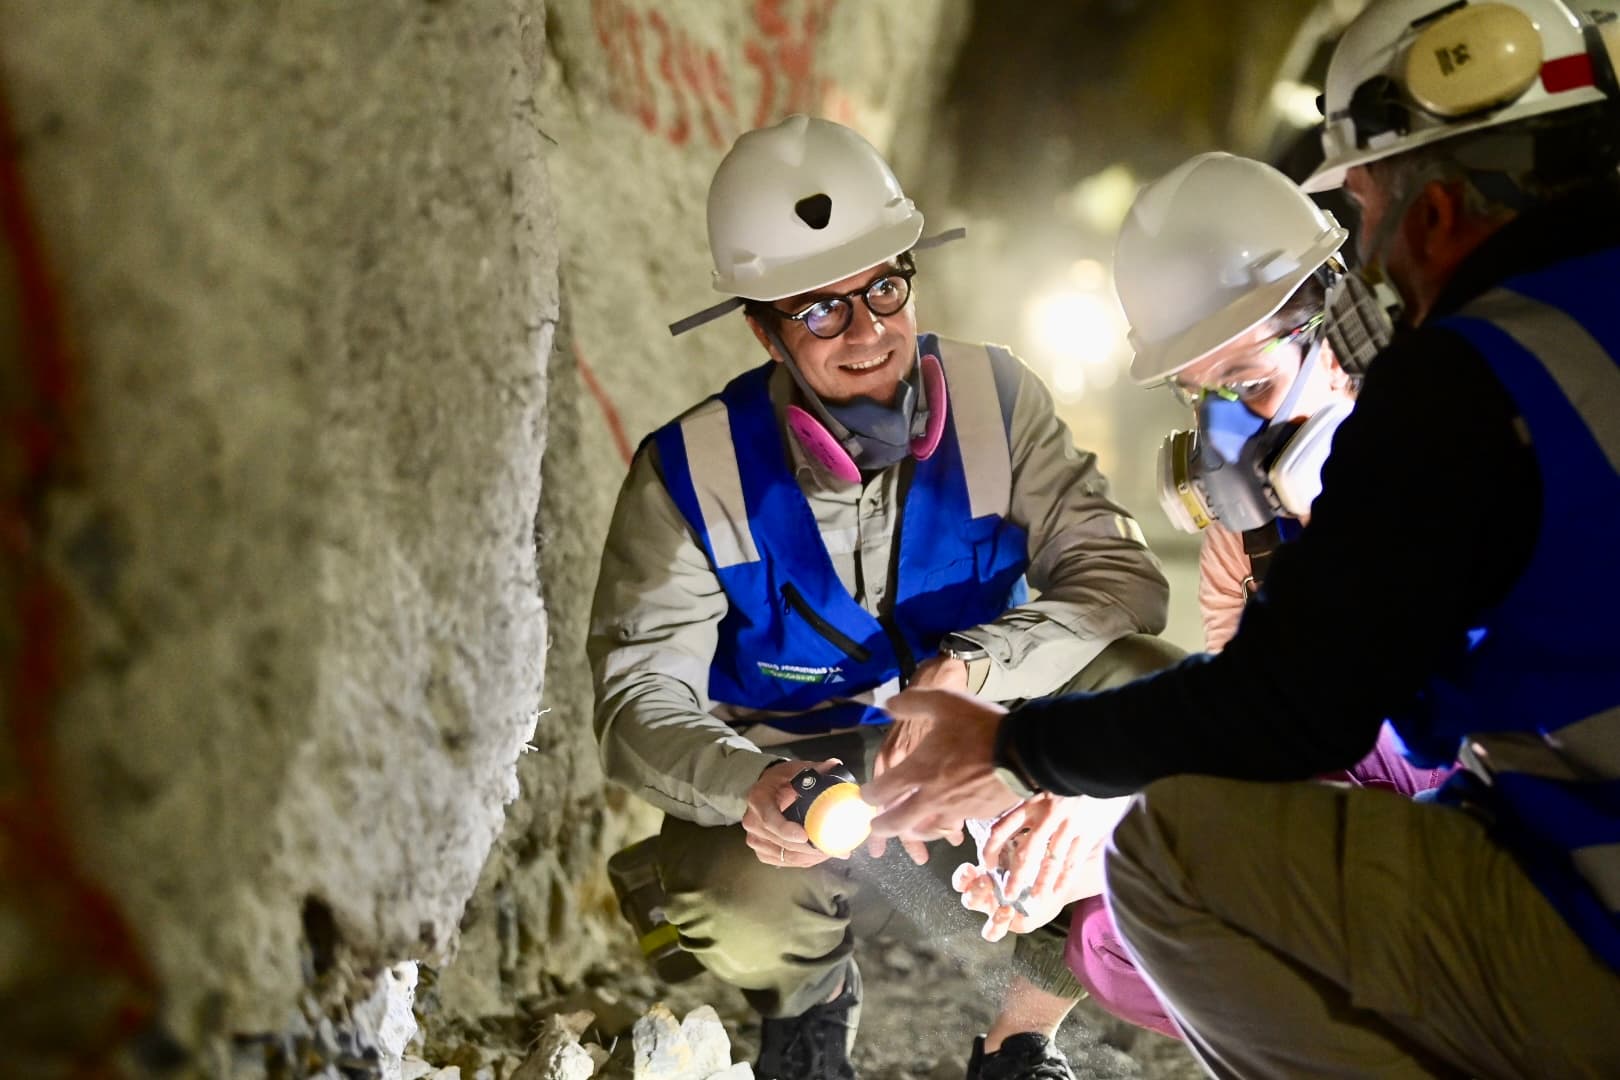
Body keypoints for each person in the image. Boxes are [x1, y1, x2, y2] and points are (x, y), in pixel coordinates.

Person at [861, 1, 1620, 1074]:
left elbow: (1315, 716)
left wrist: (1037, 767)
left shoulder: (1466, 388)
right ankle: (1023, 1029)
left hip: (1589, 904)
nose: (1231, 433)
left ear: (1436, 212)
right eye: (1203, 398)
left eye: (1367, 213)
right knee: (1119, 914)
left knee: (1168, 867)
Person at [589, 114, 1179, 1080]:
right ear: (763, 329)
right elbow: (635, 704)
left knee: (1151, 702)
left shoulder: (1000, 401)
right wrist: (753, 789)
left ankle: (1020, 1033)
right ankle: (808, 1007)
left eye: (883, 288)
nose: (867, 331)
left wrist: (976, 667)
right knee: (724, 889)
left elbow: (1120, 581)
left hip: (972, 745)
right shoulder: (687, 473)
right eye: (821, 311)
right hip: (809, 777)